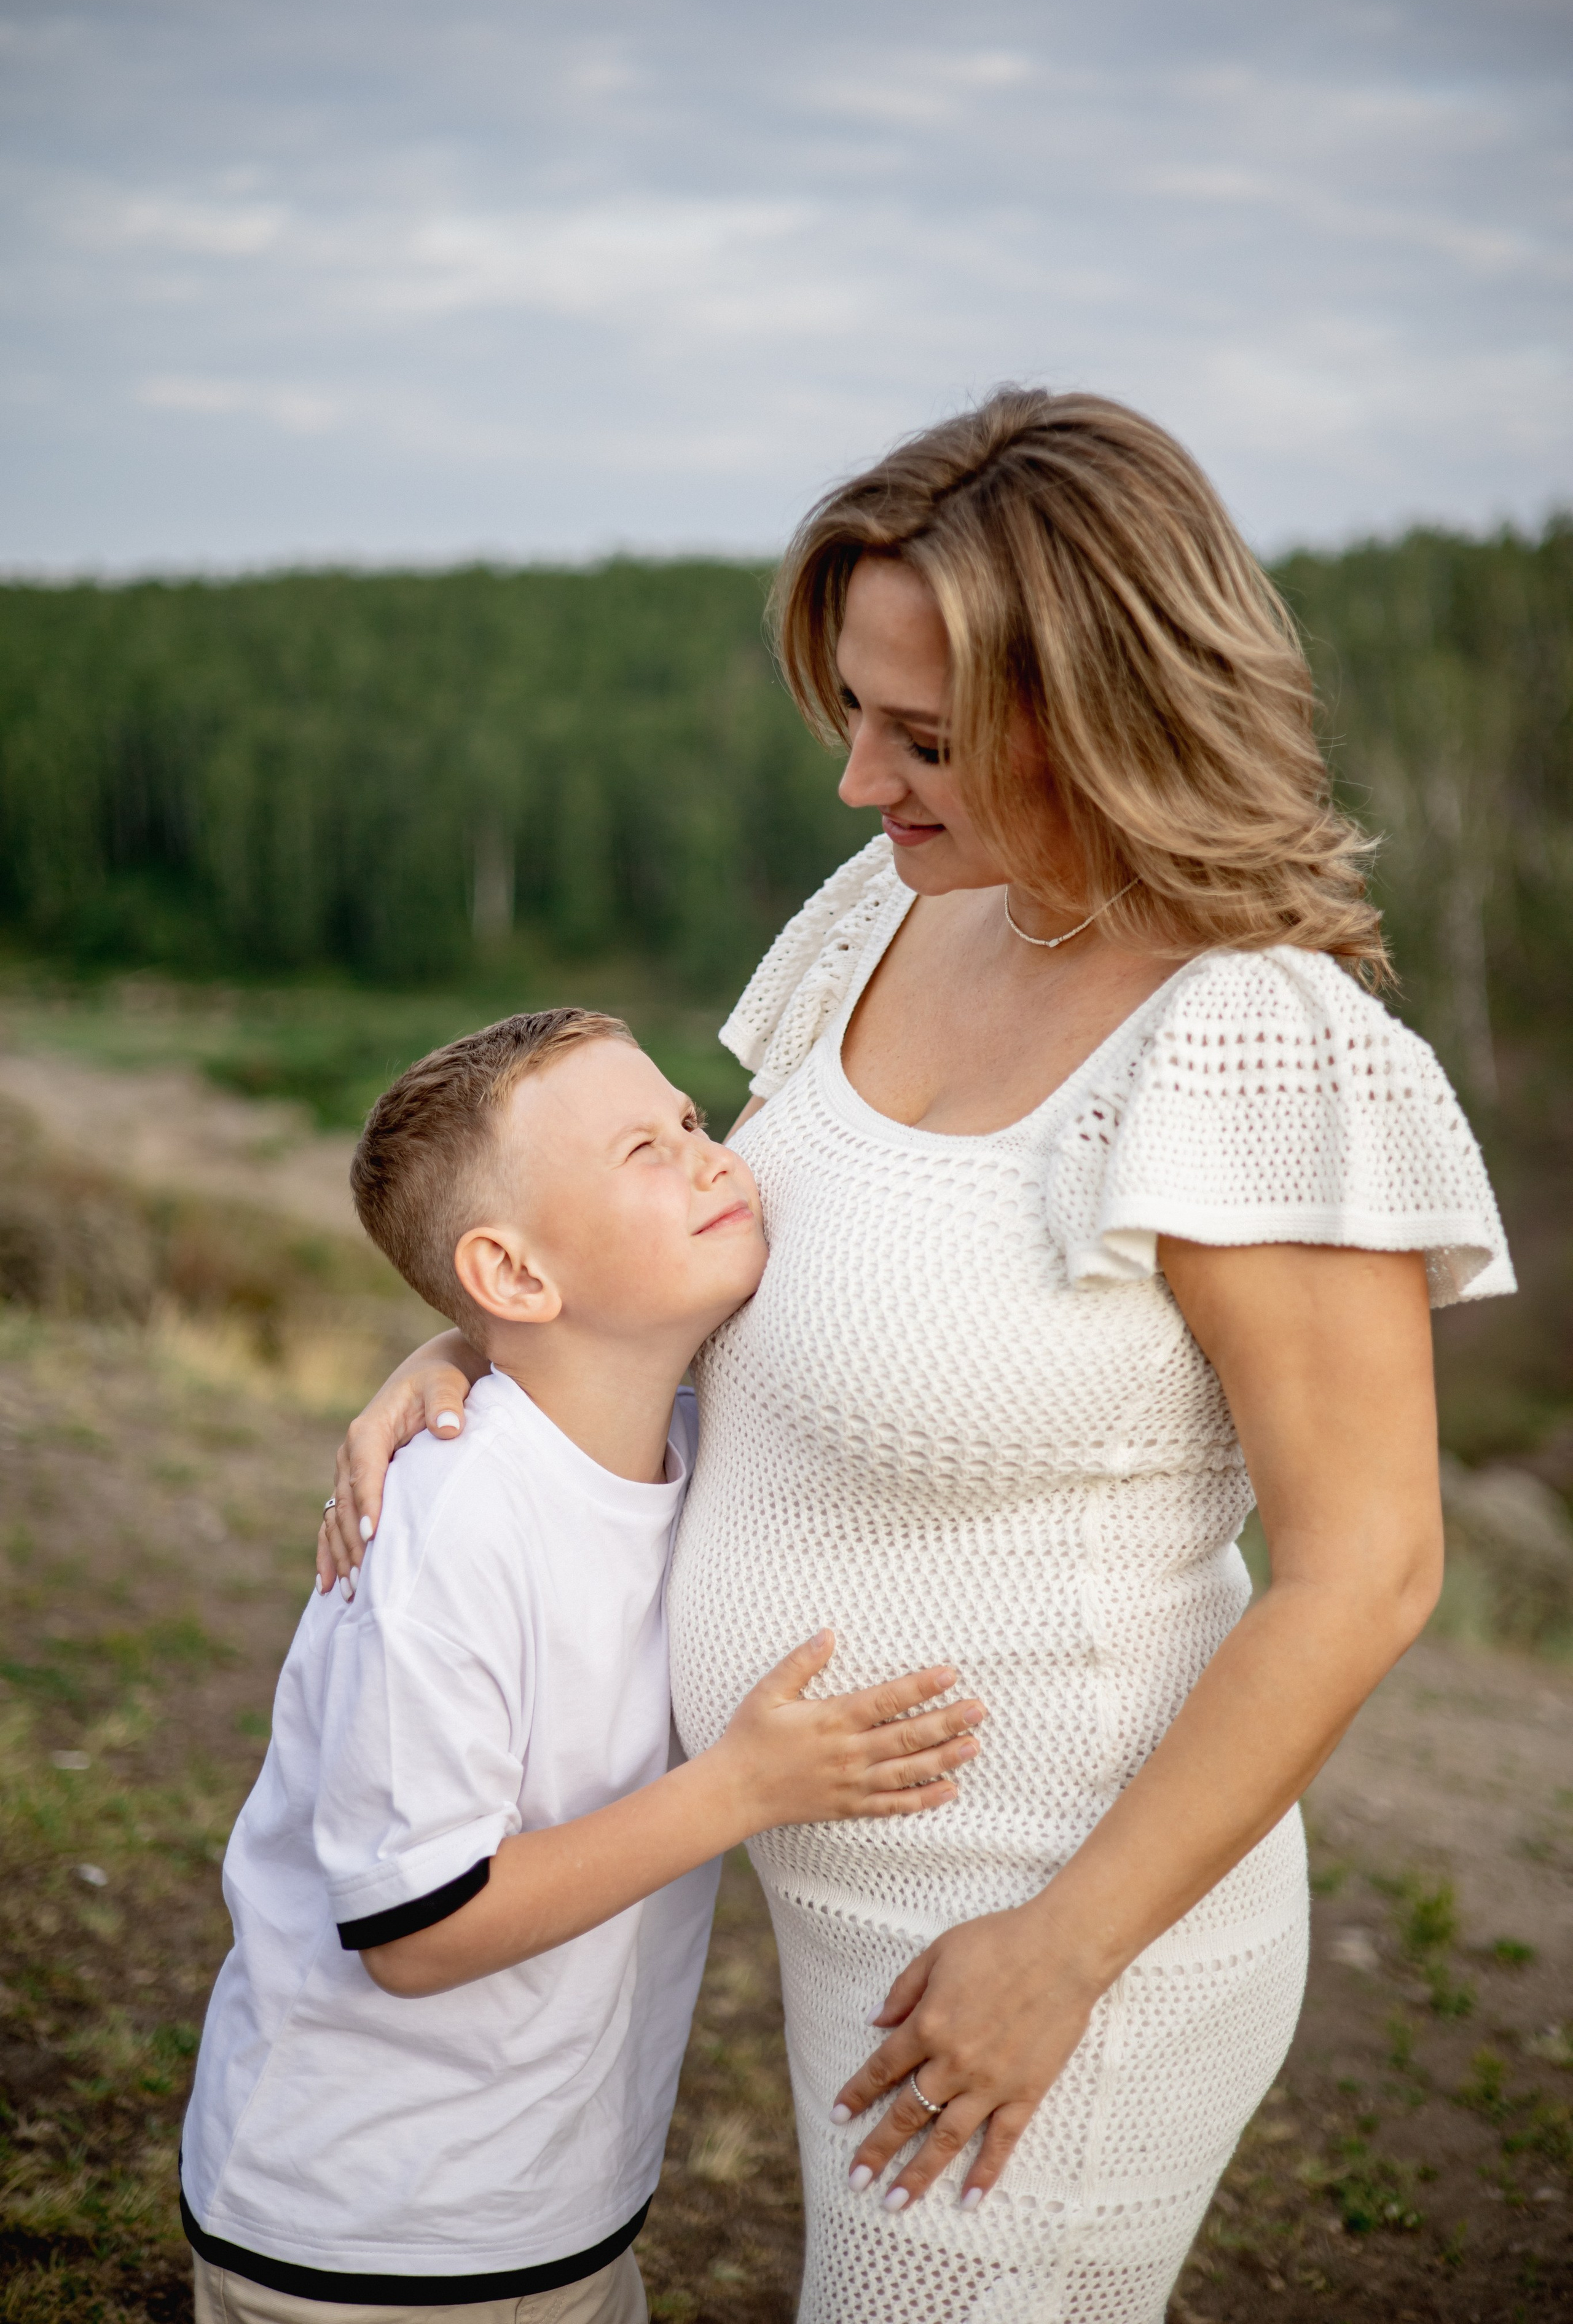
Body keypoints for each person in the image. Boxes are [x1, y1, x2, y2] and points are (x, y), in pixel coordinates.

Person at [320, 392, 1513, 2324]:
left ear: (1111, 713)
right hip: (843, 1894)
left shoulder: (1253, 1039)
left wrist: (1063, 1952)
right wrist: (480, 1345)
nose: (864, 780)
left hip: (1051, 1924)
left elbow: (1371, 1570)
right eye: (856, 715)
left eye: (929, 737)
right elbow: (772, 1265)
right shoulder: (903, 901)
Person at [183, 1007, 985, 2324]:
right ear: (512, 1275)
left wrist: (450, 1342)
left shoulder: (691, 1431)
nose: (713, 1156)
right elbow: (418, 1929)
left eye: (692, 1120)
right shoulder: (451, 1531)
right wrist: (739, 1791)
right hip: (367, 2236)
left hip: (552, 2208)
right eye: (642, 1150)